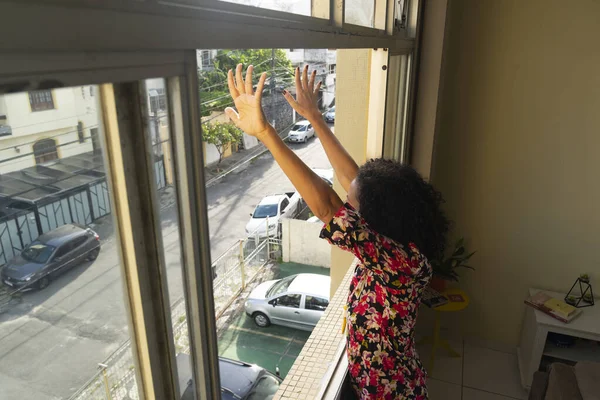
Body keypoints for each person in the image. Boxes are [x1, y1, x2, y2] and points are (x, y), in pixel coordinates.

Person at [225, 64, 449, 400]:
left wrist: (266, 133)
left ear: (375, 216)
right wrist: (315, 117)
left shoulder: (399, 262)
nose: (348, 202)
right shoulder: (398, 241)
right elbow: (352, 178)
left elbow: (328, 207)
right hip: (386, 383)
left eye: (353, 204)